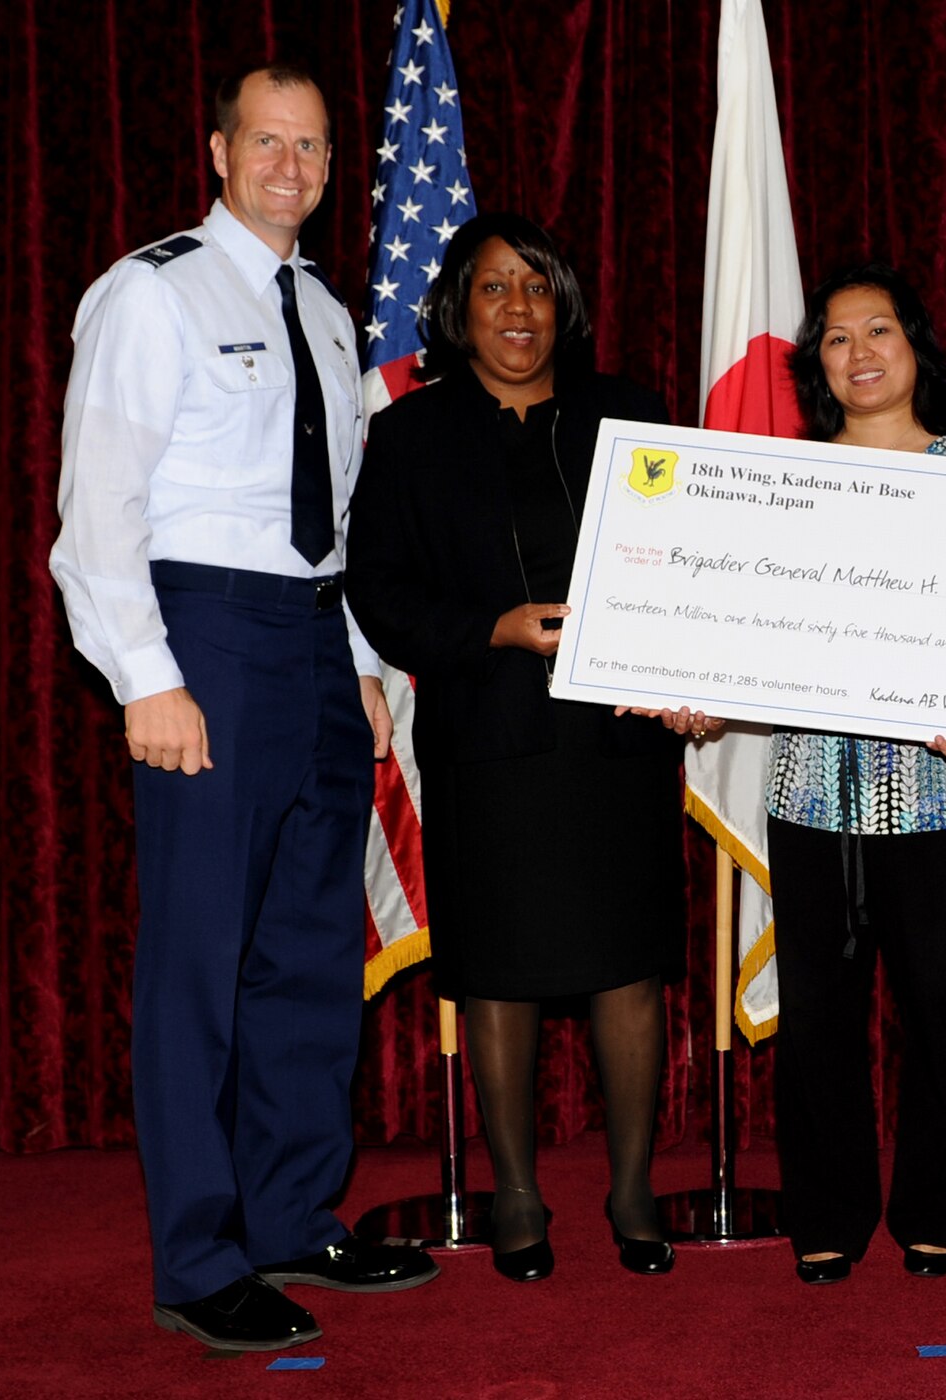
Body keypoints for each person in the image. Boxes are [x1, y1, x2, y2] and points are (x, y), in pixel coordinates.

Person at [48, 64, 436, 1353]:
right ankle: (199, 1253)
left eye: (311, 146)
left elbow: (337, 518)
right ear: (218, 151)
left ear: (332, 164)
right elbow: (98, 503)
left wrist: (368, 665)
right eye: (265, 142)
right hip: (203, 633)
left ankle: (287, 1215)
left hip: (318, 642)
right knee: (201, 961)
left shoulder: (326, 312)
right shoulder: (150, 291)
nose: (290, 165)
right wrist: (145, 674)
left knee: (312, 958)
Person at [346, 212, 705, 1283]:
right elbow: (382, 591)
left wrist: (690, 670)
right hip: (486, 741)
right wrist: (490, 630)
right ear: (457, 309)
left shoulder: (631, 418)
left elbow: (693, 565)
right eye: (495, 287)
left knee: (624, 968)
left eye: (537, 286)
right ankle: (514, 1193)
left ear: (565, 305)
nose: (517, 308)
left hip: (615, 746)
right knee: (496, 972)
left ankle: (633, 1187)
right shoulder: (410, 434)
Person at [768, 263, 946, 1286]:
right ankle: (825, 1206)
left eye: (880, 330)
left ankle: (934, 1204)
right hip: (810, 786)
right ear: (816, 362)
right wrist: (689, 681)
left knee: (941, 1004)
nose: (860, 353)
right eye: (836, 337)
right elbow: (748, 632)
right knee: (816, 1009)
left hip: (945, 789)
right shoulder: (779, 478)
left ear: (916, 347)